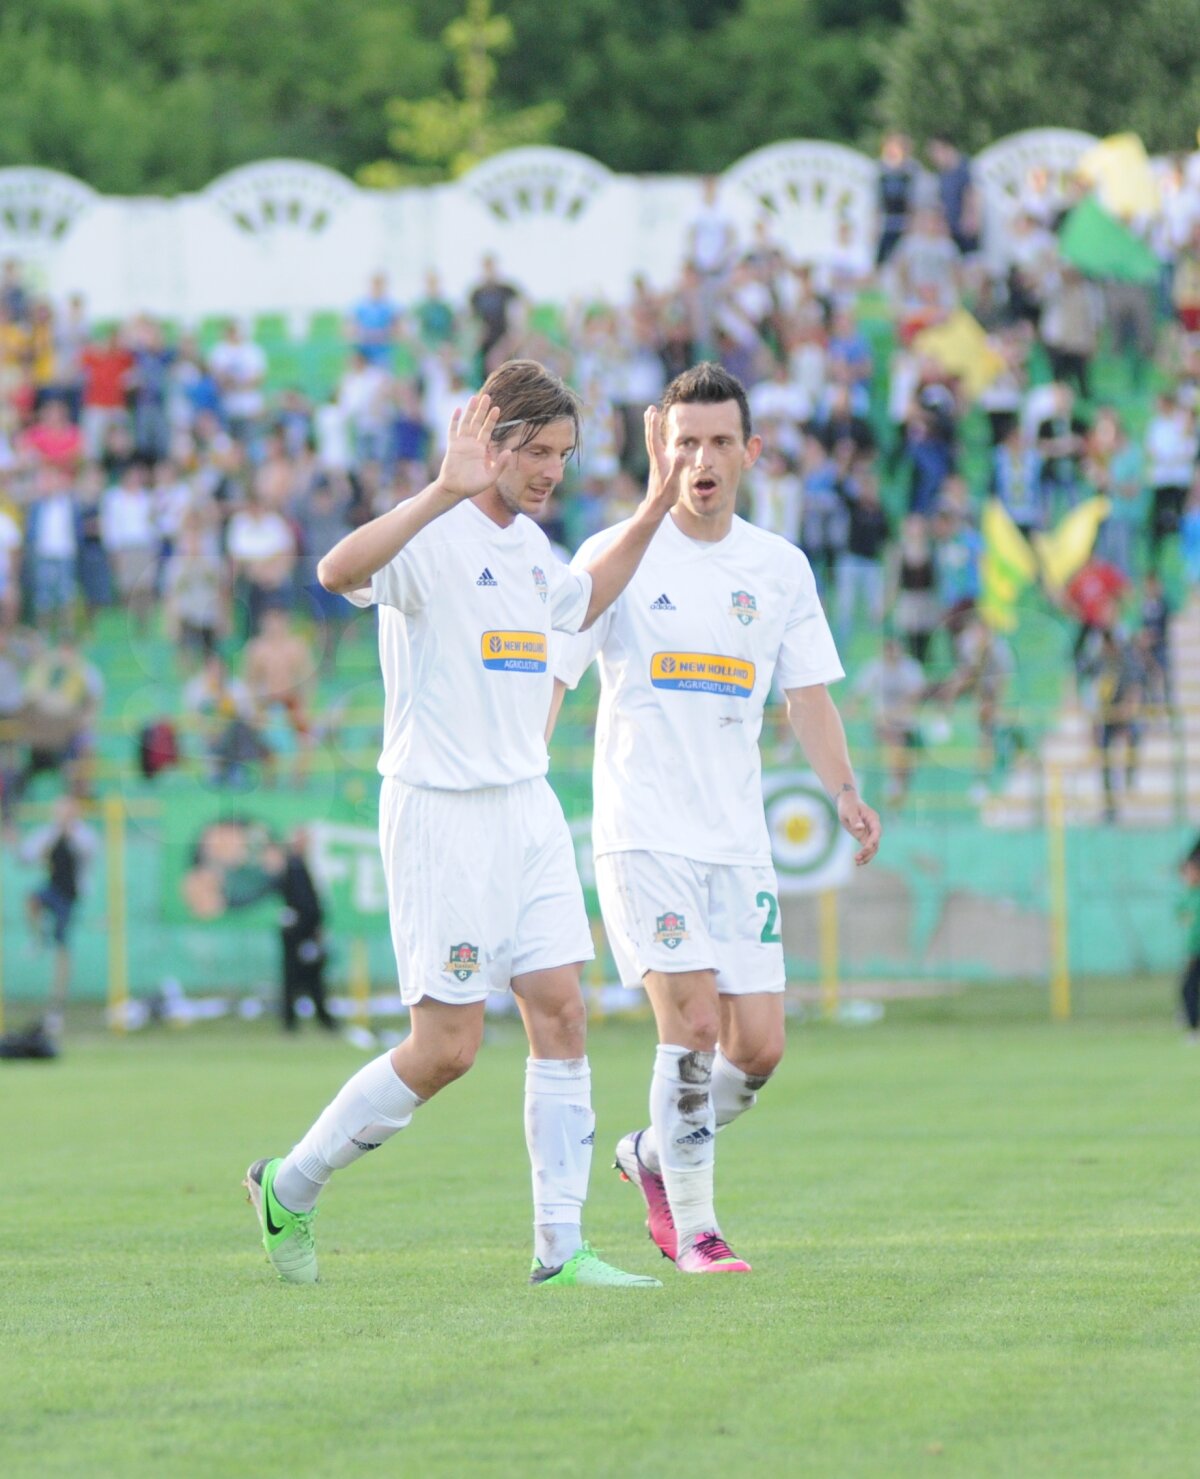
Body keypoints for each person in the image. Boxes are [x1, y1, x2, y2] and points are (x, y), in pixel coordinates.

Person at [245, 359, 683, 1290]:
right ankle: (291, 1182)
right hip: (439, 811)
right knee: (446, 1049)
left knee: (562, 1011)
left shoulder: (532, 549)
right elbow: (334, 570)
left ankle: (561, 1251)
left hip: (527, 808)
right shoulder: (434, 535)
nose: (554, 472)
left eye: (565, 455)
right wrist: (443, 486)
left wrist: (651, 509)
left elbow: (582, 597)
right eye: (541, 452)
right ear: (496, 443)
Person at [551, 362, 881, 1275]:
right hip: (643, 828)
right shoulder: (613, 554)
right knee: (691, 1025)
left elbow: (806, 694)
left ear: (750, 452)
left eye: (720, 442)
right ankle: (696, 1228)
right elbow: (555, 671)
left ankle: (654, 1150)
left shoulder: (778, 568)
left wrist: (845, 788)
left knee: (759, 1047)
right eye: (685, 440)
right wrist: (525, 772)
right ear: (660, 443)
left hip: (737, 838)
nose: (702, 458)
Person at [20, 795, 97, 1032]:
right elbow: (27, 855)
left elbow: (89, 851)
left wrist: (68, 833)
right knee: (32, 901)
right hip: (52, 889)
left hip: (69, 896)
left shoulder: (83, 834)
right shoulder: (49, 833)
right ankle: (38, 938)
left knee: (62, 948)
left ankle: (57, 1006)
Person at [271, 828, 335, 1033]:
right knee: (294, 978)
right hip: (298, 934)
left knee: (312, 977)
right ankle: (292, 1021)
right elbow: (303, 903)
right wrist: (309, 926)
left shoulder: (305, 865)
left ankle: (321, 1019)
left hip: (306, 931)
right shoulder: (294, 866)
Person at [1178, 850, 1200, 1041]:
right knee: (1188, 988)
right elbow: (1182, 916)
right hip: (1194, 951)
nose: (1188, 875)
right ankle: (1194, 1029)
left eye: (1192, 871)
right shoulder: (1188, 895)